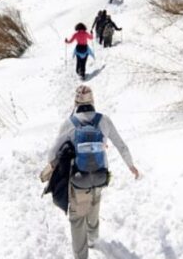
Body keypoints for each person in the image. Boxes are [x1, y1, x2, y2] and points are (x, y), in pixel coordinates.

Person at [40, 86, 140, 259]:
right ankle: (93, 239)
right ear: (93, 101)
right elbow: (120, 145)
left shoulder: (69, 123)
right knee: (94, 205)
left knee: (77, 219)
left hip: (79, 180)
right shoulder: (104, 120)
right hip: (101, 176)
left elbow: (52, 153)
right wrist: (131, 165)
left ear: (76, 102)